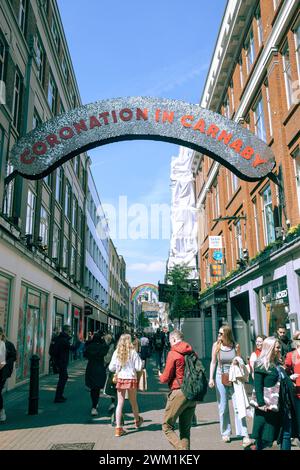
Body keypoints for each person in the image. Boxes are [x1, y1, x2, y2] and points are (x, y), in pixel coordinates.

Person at [251, 336, 298, 450]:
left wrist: (289, 379)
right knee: (265, 439)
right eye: (277, 347)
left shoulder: (278, 364)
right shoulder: (260, 364)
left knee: (286, 433)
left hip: (283, 405)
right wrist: (261, 404)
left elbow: (280, 380)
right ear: (270, 348)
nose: (279, 349)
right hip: (268, 408)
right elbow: (258, 386)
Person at [209, 324, 251, 447]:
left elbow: (240, 359)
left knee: (238, 406)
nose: (218, 335)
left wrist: (237, 360)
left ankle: (244, 434)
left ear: (227, 334)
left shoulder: (236, 346)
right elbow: (213, 362)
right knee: (223, 407)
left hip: (234, 378)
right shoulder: (216, 346)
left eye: (221, 333)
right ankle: (225, 433)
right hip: (220, 376)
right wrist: (211, 378)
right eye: (218, 333)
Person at [159, 329, 197, 450]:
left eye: (170, 341)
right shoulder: (191, 352)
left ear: (174, 339)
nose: (170, 343)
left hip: (179, 392)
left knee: (166, 426)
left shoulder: (173, 353)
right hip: (192, 393)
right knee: (185, 431)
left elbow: (165, 378)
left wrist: (160, 375)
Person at [109, 333, 143, 437]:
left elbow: (111, 368)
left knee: (120, 403)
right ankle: (137, 421)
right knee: (133, 402)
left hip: (120, 379)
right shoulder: (133, 352)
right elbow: (138, 367)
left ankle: (118, 428)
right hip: (131, 379)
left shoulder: (116, 352)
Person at [84, 331, 108, 416]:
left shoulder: (89, 346)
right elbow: (106, 348)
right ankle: (95, 405)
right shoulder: (102, 347)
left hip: (91, 367)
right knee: (97, 388)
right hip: (100, 368)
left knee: (93, 388)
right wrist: (103, 341)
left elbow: (85, 355)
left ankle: (94, 405)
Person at [285, 330, 300, 443]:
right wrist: (291, 380)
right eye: (298, 339)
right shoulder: (291, 355)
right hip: (297, 390)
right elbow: (285, 371)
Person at [53, 324, 74, 403]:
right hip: (62, 362)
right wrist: (80, 343)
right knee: (63, 378)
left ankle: (59, 395)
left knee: (63, 378)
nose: (70, 332)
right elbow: (72, 348)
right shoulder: (63, 340)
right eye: (69, 331)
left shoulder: (61, 338)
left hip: (61, 361)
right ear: (66, 331)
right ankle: (58, 397)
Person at [0, 327, 16, 422]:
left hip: (2, 372)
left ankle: (1, 411)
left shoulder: (8, 345)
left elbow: (13, 356)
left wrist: (4, 363)